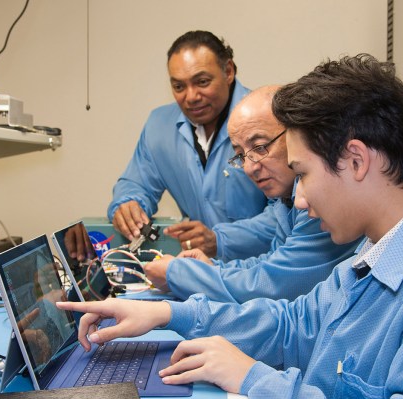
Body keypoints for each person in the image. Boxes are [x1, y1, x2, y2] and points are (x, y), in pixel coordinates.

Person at [59, 54, 403, 399]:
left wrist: (256, 381)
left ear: (357, 160)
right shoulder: (380, 248)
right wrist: (168, 312)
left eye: (303, 173)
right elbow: (296, 325)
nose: (301, 200)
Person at [144, 86, 360, 302]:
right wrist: (210, 268)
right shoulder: (285, 199)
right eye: (240, 155)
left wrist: (179, 275)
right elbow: (272, 262)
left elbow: (274, 284)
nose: (249, 168)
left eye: (260, 147)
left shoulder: (321, 197)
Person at [108, 30, 267, 251]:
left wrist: (222, 239)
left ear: (228, 71)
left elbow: (285, 215)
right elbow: (137, 183)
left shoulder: (266, 119)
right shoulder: (159, 126)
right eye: (179, 86)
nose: (191, 97)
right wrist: (128, 203)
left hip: (263, 269)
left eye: (202, 82)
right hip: (198, 268)